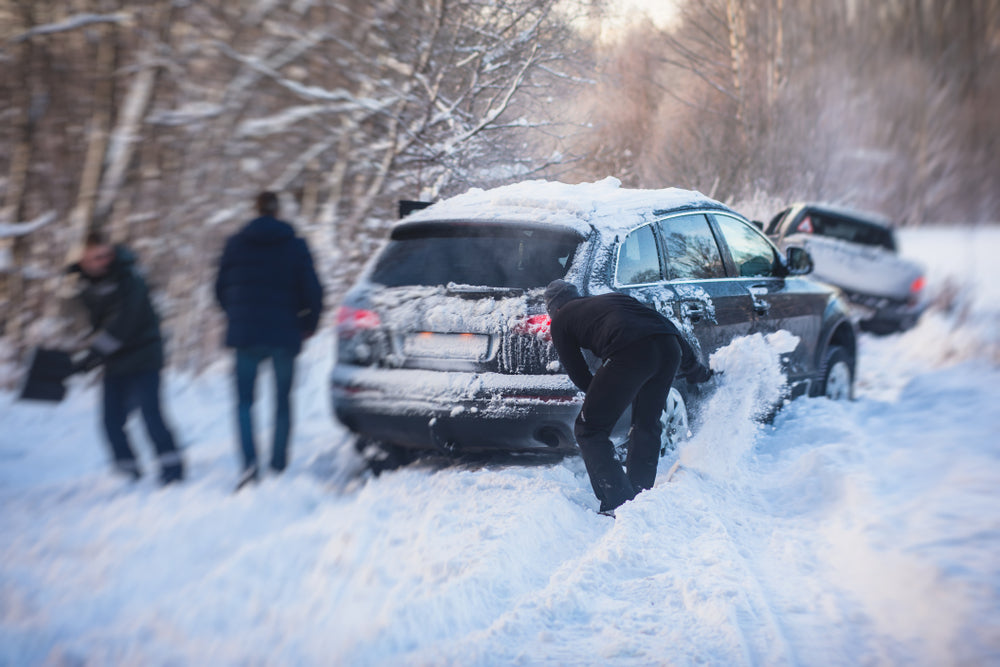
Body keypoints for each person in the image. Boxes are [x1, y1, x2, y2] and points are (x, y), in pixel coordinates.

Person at [544, 280, 710, 515]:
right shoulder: (614, 299)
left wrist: (604, 399)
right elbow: (667, 327)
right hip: (669, 347)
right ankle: (640, 497)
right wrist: (697, 372)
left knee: (588, 430)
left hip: (630, 351)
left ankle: (618, 501)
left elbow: (578, 373)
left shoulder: (561, 319)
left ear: (552, 308)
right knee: (646, 424)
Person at [215, 191, 323, 490]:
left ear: (256, 210)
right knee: (282, 403)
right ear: (278, 212)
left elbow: (220, 289)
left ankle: (250, 466)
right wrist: (308, 325)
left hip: (245, 335)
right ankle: (277, 465)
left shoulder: (235, 244)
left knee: (245, 403)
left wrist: (235, 315)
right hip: (284, 334)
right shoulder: (295, 245)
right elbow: (313, 290)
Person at [70, 232, 185, 485]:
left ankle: (172, 468)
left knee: (150, 413)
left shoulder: (130, 278)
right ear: (85, 260)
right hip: (116, 360)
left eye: (106, 255)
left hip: (145, 354)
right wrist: (82, 355)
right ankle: (128, 471)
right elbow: (99, 326)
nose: (102, 261)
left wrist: (93, 356)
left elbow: (124, 323)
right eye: (95, 258)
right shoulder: (86, 284)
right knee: (111, 420)